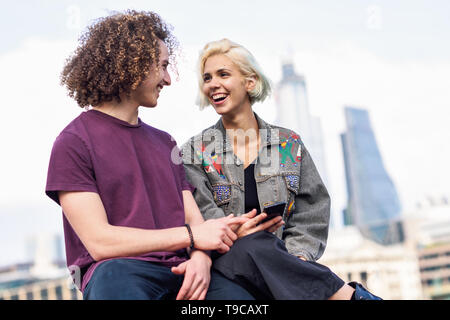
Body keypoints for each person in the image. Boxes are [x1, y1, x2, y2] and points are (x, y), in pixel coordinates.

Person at [45, 12, 254, 300]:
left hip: (182, 272)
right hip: (118, 273)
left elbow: (195, 222)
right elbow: (99, 242)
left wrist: (201, 259)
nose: (167, 80)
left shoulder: (165, 142)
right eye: (163, 67)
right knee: (114, 282)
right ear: (133, 65)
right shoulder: (73, 143)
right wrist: (192, 237)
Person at [182, 38, 382, 300]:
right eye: (207, 78)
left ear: (250, 82)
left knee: (262, 246)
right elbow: (203, 218)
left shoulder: (288, 144)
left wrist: (296, 257)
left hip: (283, 265)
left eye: (223, 74)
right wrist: (233, 234)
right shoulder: (195, 152)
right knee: (252, 244)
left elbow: (312, 210)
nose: (212, 84)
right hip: (228, 265)